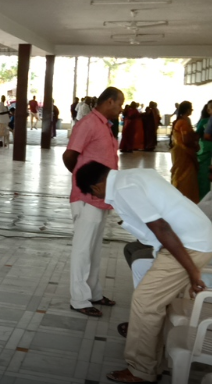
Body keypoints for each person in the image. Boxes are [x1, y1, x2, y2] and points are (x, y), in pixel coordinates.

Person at [75, 162, 212, 384]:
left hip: (189, 245)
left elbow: (160, 226)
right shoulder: (132, 176)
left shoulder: (123, 189)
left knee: (145, 302)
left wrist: (192, 272)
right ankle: (153, 364)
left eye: (94, 194)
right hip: (194, 240)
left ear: (96, 187)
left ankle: (140, 371)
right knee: (155, 304)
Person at [124, 149, 212, 289]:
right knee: (131, 248)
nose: (211, 167)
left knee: (139, 256)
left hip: (197, 247)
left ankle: (154, 294)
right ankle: (155, 289)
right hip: (189, 239)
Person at [63, 86, 123, 317]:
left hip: (102, 197)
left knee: (95, 249)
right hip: (87, 197)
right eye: (119, 104)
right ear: (109, 102)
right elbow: (70, 155)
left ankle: (94, 292)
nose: (120, 108)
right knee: (82, 249)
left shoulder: (104, 126)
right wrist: (83, 182)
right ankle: (79, 299)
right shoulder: (87, 123)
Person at [170, 101, 200, 203]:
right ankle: (184, 199)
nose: (192, 110)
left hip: (181, 151)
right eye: (191, 108)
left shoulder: (184, 120)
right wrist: (195, 139)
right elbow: (186, 140)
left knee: (180, 174)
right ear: (187, 110)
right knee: (184, 177)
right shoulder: (183, 122)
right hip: (184, 152)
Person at [195, 100, 212, 198]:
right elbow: (197, 136)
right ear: (208, 110)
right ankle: (203, 198)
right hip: (205, 152)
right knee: (204, 176)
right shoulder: (204, 121)